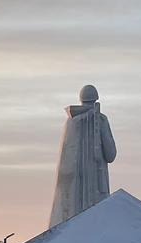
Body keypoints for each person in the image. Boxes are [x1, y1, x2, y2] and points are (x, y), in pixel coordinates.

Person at [49, 85, 117, 227]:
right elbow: (111, 155)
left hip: (72, 195)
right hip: (97, 186)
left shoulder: (71, 123)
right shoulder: (101, 120)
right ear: (96, 99)